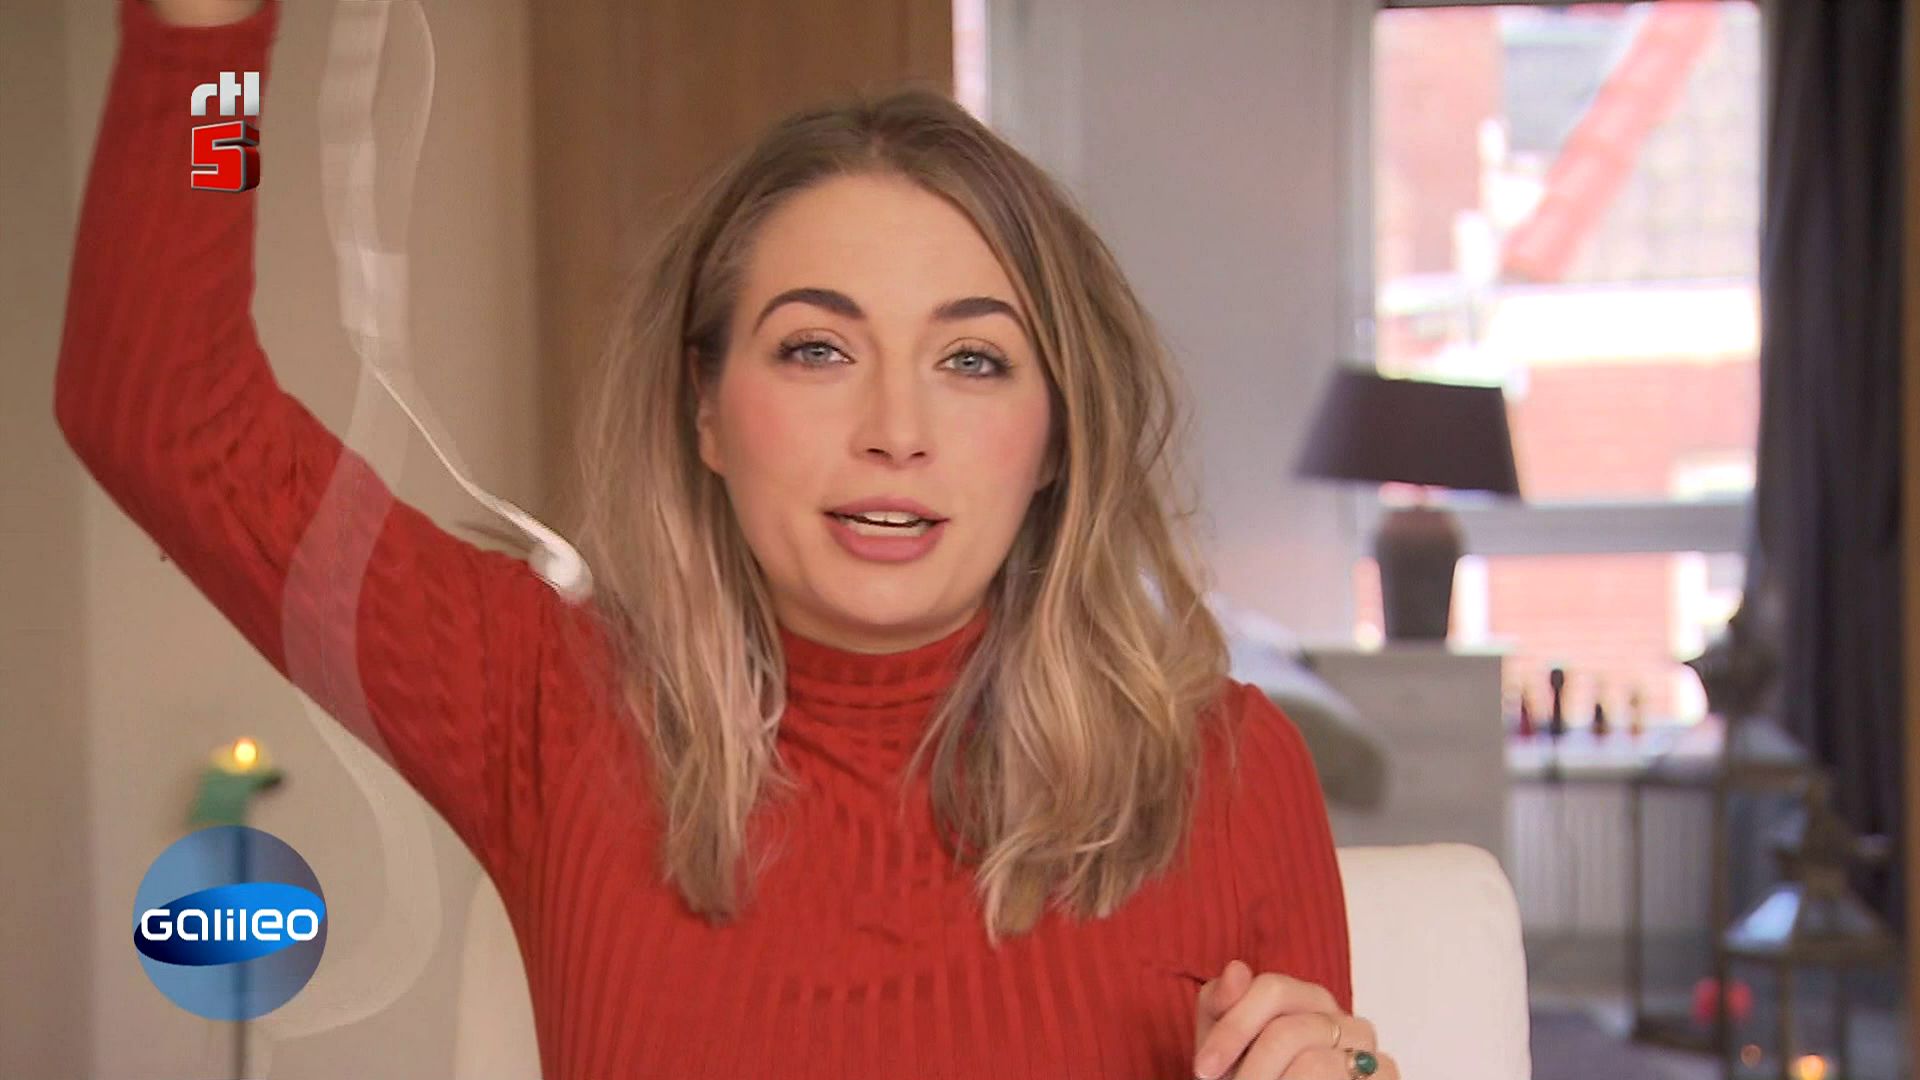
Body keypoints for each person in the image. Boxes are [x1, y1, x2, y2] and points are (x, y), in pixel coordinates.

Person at [56, 1, 1399, 1077]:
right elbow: (166, 406)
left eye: (973, 360)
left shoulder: (1232, 774)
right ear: (705, 410)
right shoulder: (548, 707)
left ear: (1057, 435)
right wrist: (210, 47)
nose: (895, 430)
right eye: (817, 349)